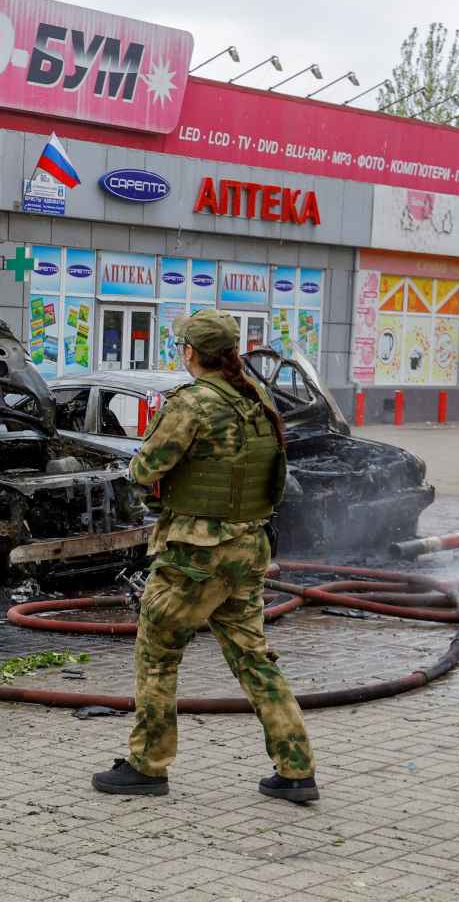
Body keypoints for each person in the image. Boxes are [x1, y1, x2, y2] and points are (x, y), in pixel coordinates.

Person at [92, 309, 318, 804]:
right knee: (254, 660)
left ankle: (148, 765)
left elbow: (147, 466)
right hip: (249, 549)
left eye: (182, 347)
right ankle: (297, 769)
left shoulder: (193, 403)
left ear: (192, 352)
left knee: (157, 653)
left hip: (196, 554)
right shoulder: (256, 398)